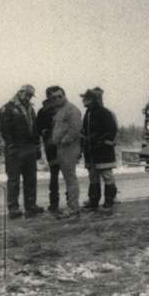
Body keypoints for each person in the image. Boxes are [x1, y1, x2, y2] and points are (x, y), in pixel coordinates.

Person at [0, 84, 43, 219]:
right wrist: (11, 146)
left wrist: (37, 146)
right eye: (27, 94)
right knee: (14, 180)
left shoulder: (31, 109)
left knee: (31, 178)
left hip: (29, 147)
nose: (28, 97)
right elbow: (4, 130)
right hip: (15, 148)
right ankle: (13, 208)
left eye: (30, 95)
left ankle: (31, 206)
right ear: (20, 92)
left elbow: (35, 129)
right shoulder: (7, 108)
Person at [80, 87, 119, 210]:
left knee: (107, 175)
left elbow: (112, 129)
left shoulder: (104, 112)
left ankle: (109, 200)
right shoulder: (88, 113)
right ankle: (93, 201)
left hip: (103, 152)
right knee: (93, 176)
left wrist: (104, 142)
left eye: (85, 98)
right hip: (91, 152)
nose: (83, 101)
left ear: (91, 99)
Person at [48, 87, 84, 218]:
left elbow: (75, 129)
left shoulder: (72, 110)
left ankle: (73, 207)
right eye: (54, 97)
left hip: (69, 148)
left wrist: (63, 140)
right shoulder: (60, 110)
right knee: (68, 178)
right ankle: (72, 205)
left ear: (64, 95)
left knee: (70, 178)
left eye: (59, 96)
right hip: (61, 148)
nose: (57, 99)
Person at [35, 87, 61, 214]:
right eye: (51, 95)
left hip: (60, 146)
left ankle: (57, 203)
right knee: (56, 174)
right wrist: (44, 131)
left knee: (59, 174)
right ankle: (55, 202)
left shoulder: (61, 108)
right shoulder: (44, 111)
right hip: (53, 147)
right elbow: (38, 128)